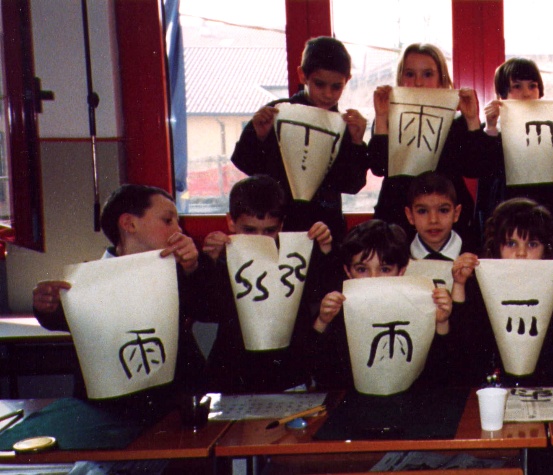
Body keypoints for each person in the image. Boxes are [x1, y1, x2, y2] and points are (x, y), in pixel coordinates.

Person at [32, 184, 210, 403]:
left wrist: (193, 267)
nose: (178, 230)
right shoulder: (88, 279)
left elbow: (208, 307)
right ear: (129, 224)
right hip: (110, 400)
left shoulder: (180, 271)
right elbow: (62, 320)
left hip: (175, 395)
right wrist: (46, 305)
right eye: (167, 220)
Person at [199, 175, 338, 393]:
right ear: (230, 222)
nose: (260, 238)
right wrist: (211, 261)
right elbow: (207, 308)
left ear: (281, 226)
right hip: (234, 371)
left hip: (288, 370)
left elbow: (322, 290)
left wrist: (325, 249)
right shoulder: (224, 257)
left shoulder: (296, 257)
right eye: (249, 230)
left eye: (269, 230)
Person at [449, 198, 553, 386]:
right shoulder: (481, 283)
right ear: (496, 247)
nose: (521, 253)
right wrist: (459, 284)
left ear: (545, 248)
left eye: (532, 244)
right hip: (498, 385)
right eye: (511, 243)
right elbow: (461, 338)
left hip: (552, 384)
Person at [231, 36, 368, 238]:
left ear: (347, 80)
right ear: (302, 75)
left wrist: (356, 142)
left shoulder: (345, 125)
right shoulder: (277, 113)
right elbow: (245, 163)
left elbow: (352, 185)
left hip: (325, 229)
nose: (328, 94)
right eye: (319, 84)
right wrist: (259, 136)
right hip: (276, 226)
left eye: (336, 86)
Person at [370, 43, 493, 251]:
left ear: (441, 80)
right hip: (398, 215)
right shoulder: (388, 117)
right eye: (410, 74)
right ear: (400, 78)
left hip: (448, 221)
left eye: (427, 74)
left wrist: (472, 119)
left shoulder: (455, 121)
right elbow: (378, 167)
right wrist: (381, 117)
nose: (418, 82)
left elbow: (475, 168)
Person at [311, 219, 453, 390]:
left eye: (384, 269)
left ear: (401, 271)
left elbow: (440, 373)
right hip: (353, 399)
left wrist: (441, 322)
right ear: (348, 271)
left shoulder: (418, 308)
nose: (374, 278)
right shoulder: (339, 310)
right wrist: (322, 321)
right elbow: (318, 371)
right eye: (362, 269)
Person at [476, 58, 553, 236]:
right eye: (517, 86)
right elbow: (485, 169)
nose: (526, 93)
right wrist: (490, 127)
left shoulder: (549, 125)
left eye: (532, 86)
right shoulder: (493, 127)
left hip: (547, 206)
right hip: (507, 206)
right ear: (502, 95)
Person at [405, 172, 466, 261]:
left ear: (456, 213)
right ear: (410, 215)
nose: (433, 220)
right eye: (422, 211)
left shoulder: (477, 256)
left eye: (443, 210)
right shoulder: (399, 258)